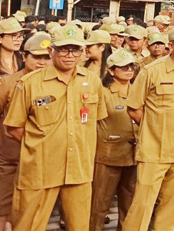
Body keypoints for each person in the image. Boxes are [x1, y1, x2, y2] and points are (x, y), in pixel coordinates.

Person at [4, 25, 107, 231]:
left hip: (79, 168)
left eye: (75, 50)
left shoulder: (92, 81)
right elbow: (15, 127)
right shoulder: (30, 83)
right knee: (28, 225)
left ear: (82, 52)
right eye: (63, 49)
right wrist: (41, 147)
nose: (70, 55)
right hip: (40, 169)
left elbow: (95, 120)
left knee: (79, 226)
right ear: (52, 51)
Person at [122, 24, 174, 231]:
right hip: (154, 150)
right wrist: (155, 127)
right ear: (171, 45)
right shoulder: (151, 71)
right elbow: (134, 108)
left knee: (173, 203)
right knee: (143, 204)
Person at [0, 32, 51, 231]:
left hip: (43, 157)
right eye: (37, 57)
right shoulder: (8, 83)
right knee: (4, 204)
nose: (42, 62)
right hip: (12, 154)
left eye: (47, 57)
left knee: (35, 206)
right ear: (24, 56)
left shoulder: (55, 84)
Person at [90, 50, 138, 231]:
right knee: (99, 203)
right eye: (123, 67)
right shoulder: (103, 92)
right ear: (111, 70)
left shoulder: (137, 89)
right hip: (108, 155)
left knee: (130, 203)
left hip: (133, 154)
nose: (128, 70)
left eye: (131, 66)